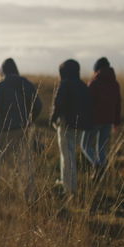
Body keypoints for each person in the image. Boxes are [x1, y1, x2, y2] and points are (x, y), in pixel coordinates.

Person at [0, 58, 42, 202]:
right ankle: (30, 195)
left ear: (3, 71)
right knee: (25, 162)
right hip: (24, 128)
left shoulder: (0, 86)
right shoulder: (27, 83)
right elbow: (38, 105)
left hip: (6, 129)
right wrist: (30, 120)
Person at [50, 59, 93, 195]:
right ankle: (66, 183)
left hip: (66, 124)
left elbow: (58, 103)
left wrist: (52, 118)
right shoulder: (83, 86)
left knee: (67, 156)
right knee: (70, 154)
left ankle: (69, 188)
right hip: (80, 126)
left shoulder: (65, 84)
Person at [81, 57, 121, 173]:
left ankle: (97, 165)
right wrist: (116, 122)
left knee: (85, 145)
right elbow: (118, 104)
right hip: (108, 120)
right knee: (102, 149)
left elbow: (86, 104)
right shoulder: (115, 84)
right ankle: (103, 171)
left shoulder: (94, 83)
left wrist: (83, 120)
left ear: (97, 70)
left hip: (94, 120)